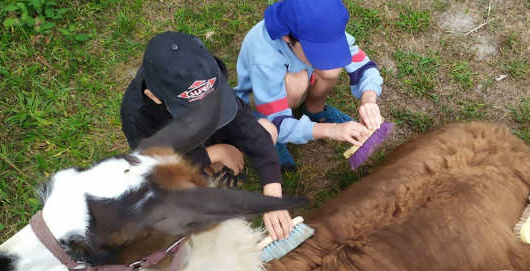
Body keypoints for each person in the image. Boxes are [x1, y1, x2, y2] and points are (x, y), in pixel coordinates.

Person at [120, 31, 293, 241]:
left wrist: (273, 198)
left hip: (219, 132)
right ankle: (217, 170)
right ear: (153, 96)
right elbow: (153, 167)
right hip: (183, 151)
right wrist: (214, 153)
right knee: (178, 196)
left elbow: (252, 131)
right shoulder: (138, 117)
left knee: (267, 130)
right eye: (191, 111)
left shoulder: (207, 80)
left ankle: (224, 168)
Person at [234, 0, 385, 170]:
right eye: (316, 51)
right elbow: (275, 120)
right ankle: (275, 141)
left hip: (302, 78)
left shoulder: (323, 29)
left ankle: (314, 110)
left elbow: (364, 66)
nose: (326, 56)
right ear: (286, 36)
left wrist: (369, 99)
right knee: (295, 83)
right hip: (264, 100)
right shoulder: (265, 59)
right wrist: (330, 130)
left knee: (331, 68)